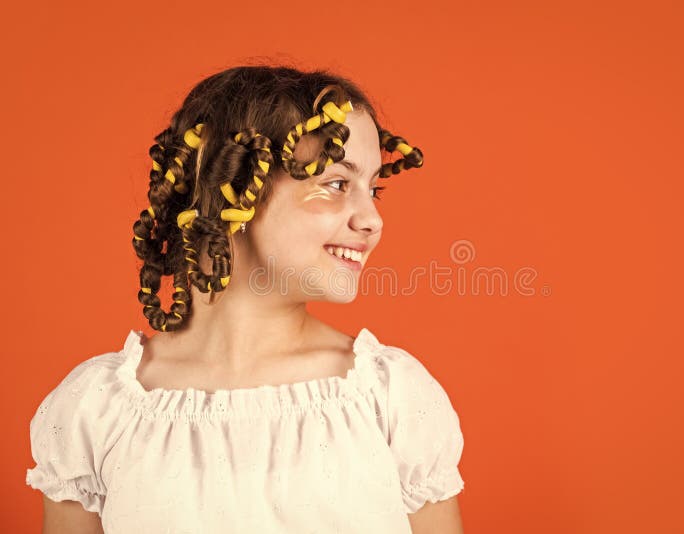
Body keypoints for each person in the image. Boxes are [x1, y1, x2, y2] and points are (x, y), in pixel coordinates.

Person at [24, 65, 466, 533]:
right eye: (337, 184)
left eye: (374, 189)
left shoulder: (389, 399)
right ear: (229, 184)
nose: (373, 219)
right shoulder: (94, 411)